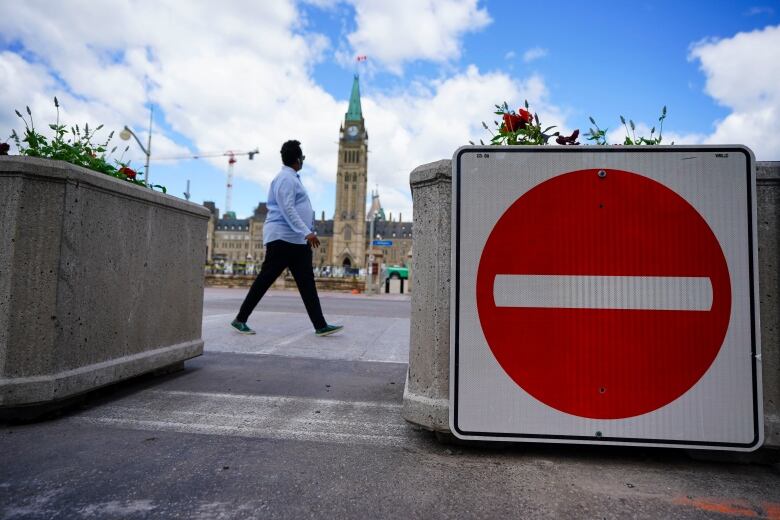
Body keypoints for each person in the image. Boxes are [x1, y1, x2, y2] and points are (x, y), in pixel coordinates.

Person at [231, 140, 343, 337]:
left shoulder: (291, 178)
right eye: (303, 158)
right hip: (283, 239)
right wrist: (306, 231)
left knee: (307, 283)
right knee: (265, 280)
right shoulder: (285, 179)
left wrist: (306, 231)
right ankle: (240, 319)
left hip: (296, 241)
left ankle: (320, 325)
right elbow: (287, 208)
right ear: (298, 159)